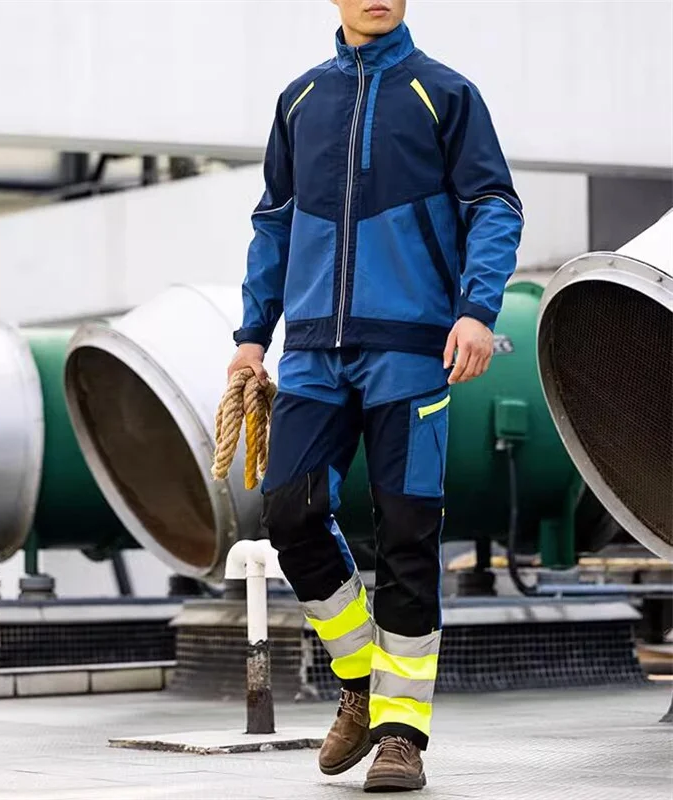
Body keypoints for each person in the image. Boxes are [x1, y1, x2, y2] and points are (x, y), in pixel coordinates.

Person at [228, 0, 522, 792]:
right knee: (286, 512)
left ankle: (402, 736)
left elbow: (493, 205)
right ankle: (358, 682)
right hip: (316, 350)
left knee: (406, 535)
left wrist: (475, 309)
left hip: (412, 349)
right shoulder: (299, 101)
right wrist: (253, 333)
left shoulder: (443, 93)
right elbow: (275, 222)